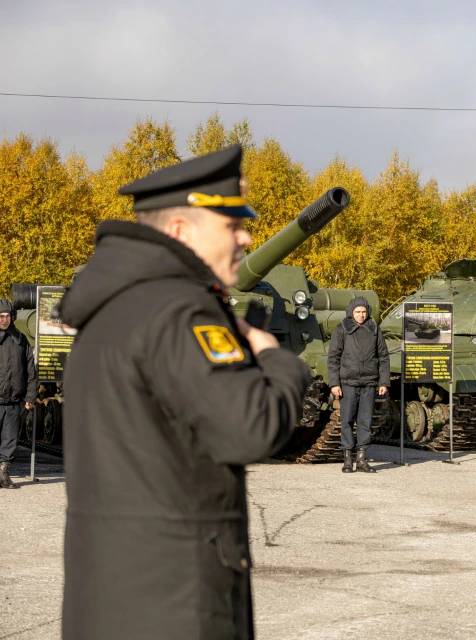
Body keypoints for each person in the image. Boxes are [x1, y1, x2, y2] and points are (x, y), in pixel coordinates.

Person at [58, 145, 312, 640]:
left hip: (113, 596)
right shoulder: (179, 311)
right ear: (180, 231)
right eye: (231, 224)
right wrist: (274, 359)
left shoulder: (110, 309)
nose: (247, 236)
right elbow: (252, 427)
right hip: (176, 604)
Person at [326, 296, 390, 473]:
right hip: (348, 383)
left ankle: (361, 459)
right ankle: (347, 460)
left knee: (365, 421)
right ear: (351, 312)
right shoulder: (342, 330)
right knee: (346, 420)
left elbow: (383, 357)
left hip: (369, 383)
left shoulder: (375, 330)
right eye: (357, 312)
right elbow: (333, 358)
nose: (361, 315)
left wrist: (383, 381)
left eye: (363, 312)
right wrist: (334, 383)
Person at [0, 298, 38, 490]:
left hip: (14, 401)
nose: (4, 320)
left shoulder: (21, 339)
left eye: (7, 316)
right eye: (1, 316)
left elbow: (31, 371)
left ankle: (4, 476)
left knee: (10, 440)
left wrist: (30, 397)